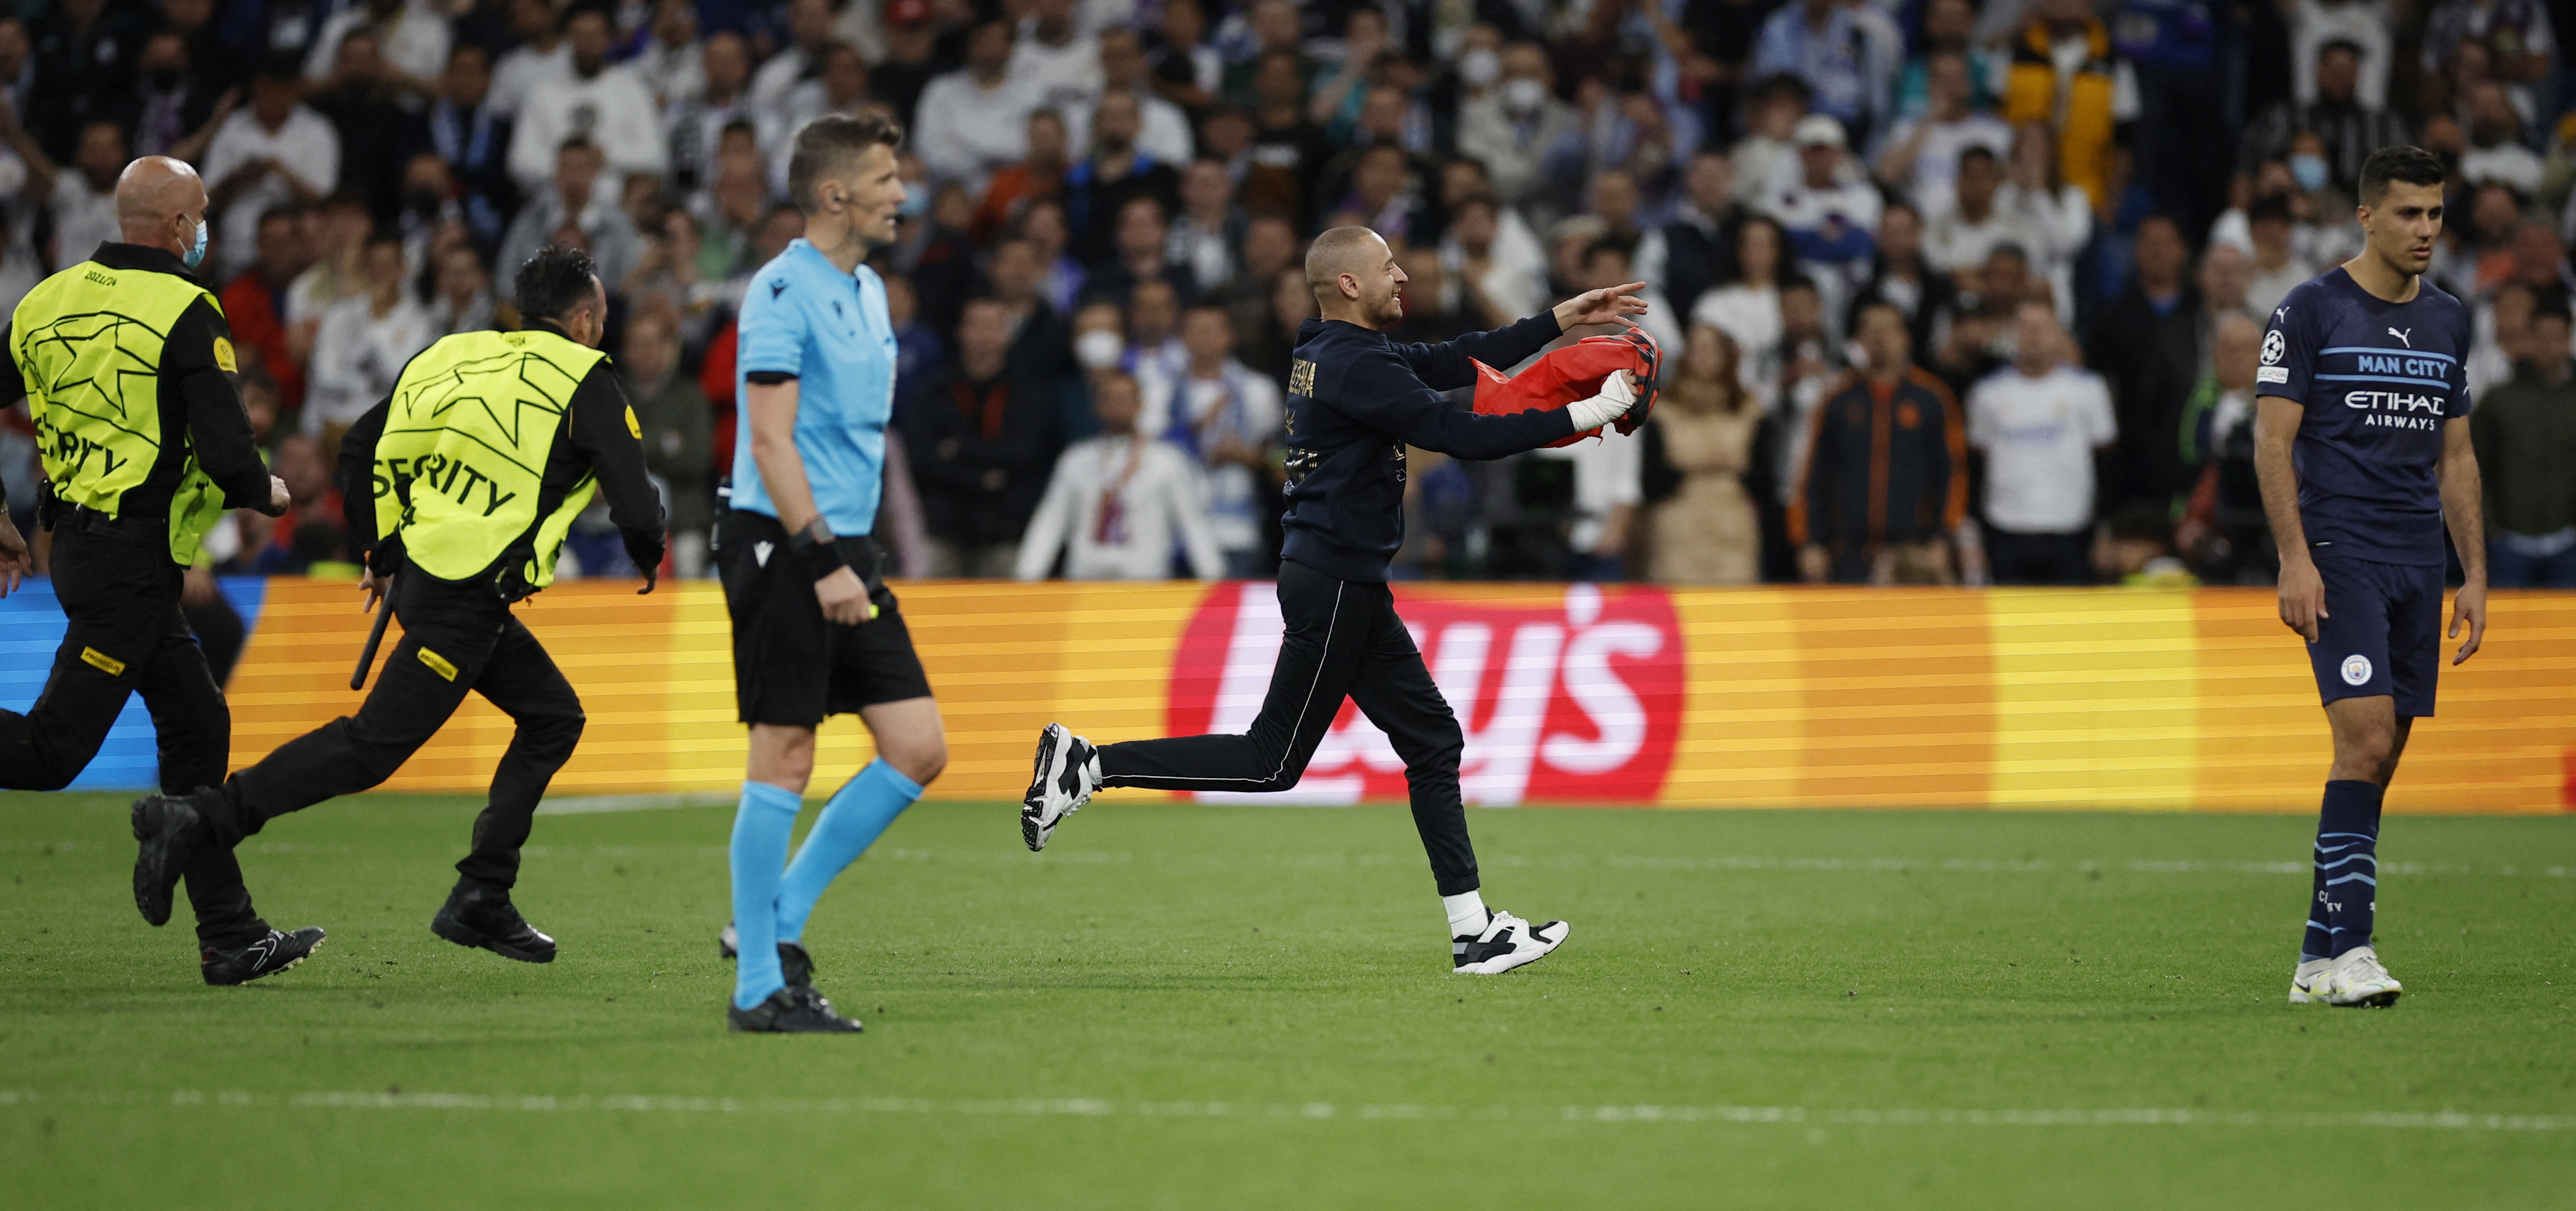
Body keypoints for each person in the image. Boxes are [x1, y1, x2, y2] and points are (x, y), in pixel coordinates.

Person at [1018, 226, 1655, 977]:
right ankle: (1089, 765)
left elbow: (1457, 359)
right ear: (1349, 284)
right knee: (1272, 760)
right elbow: (1460, 432)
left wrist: (1561, 318)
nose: (1402, 276)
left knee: (1432, 741)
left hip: (1339, 576)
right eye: (1388, 267)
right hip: (1338, 582)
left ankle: (1473, 930)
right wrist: (1589, 412)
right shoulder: (1356, 366)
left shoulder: (1336, 353)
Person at [128, 244, 665, 974]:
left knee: (552, 716)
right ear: (582, 318)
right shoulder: (585, 378)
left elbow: (358, 450)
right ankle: (200, 817)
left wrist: (381, 553)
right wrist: (647, 550)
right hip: (465, 597)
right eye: (600, 316)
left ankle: (483, 891)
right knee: (371, 745)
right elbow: (635, 501)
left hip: (425, 577)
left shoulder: (454, 353)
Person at [1, 155, 298, 984]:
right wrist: (272, 493)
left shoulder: (44, 301)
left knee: (199, 725)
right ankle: (230, 932)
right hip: (129, 562)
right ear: (175, 228)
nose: (205, 229)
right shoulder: (186, 310)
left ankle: (231, 934)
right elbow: (236, 461)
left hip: (86, 550)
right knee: (50, 751)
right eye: (200, 214)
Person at [716, 113, 949, 1035]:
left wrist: (853, 552)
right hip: (784, 545)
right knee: (786, 751)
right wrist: (821, 556)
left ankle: (770, 925)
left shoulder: (868, 291)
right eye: (888, 179)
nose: (903, 194)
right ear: (834, 194)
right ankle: (757, 991)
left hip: (841, 547)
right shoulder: (780, 292)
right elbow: (768, 442)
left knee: (919, 746)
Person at [2255, 147, 2488, 1010]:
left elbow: (2456, 457)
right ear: (2365, 217)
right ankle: (2353, 950)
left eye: (2434, 213)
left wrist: (2472, 573)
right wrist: (2293, 556)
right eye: (2407, 214)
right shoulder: (2310, 309)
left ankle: (2316, 959)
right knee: (2364, 744)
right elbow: (2272, 442)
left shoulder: (2450, 322)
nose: (2425, 229)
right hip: (2340, 554)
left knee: (2379, 764)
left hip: (2417, 564)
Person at [1791, 299, 1966, 584]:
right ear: (1858, 340)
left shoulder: (1932, 399)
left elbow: (1952, 473)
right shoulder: (1837, 400)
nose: (1879, 338)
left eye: (1887, 329)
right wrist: (1810, 542)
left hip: (1914, 549)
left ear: (1905, 338)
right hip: (1848, 549)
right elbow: (1811, 474)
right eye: (1870, 330)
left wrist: (1943, 536)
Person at [1013, 368, 1222, 580]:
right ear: (1096, 406)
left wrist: (1213, 576)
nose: (1117, 407)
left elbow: (1192, 521)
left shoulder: (1167, 461)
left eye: (1125, 399)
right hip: (1085, 581)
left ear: (1141, 404)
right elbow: (1051, 520)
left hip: (1145, 582)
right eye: (1109, 399)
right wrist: (1027, 577)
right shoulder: (1076, 460)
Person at [1965, 301, 2117, 584]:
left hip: (2072, 528)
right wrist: (1972, 536)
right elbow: (1975, 468)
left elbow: (2106, 465)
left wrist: (2105, 531)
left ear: (2059, 335)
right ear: (2010, 335)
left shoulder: (2088, 390)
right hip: (2006, 528)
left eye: (2042, 328)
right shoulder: (1987, 394)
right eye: (2024, 327)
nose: (2033, 335)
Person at [2467, 291, 2576, 586]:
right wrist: (2491, 527)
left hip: (2568, 543)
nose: (2548, 346)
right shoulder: (2499, 399)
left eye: (2557, 337)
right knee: (2507, 630)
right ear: (2527, 339)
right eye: (2540, 336)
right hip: (2508, 543)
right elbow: (2474, 464)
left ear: (2569, 339)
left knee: (2566, 632)